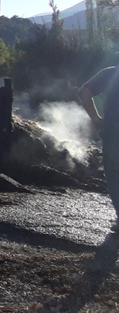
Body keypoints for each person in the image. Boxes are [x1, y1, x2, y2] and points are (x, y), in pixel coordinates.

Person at [79, 65, 119, 231]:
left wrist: (96, 119)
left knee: (115, 173)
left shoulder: (111, 73)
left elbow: (84, 92)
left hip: (113, 131)